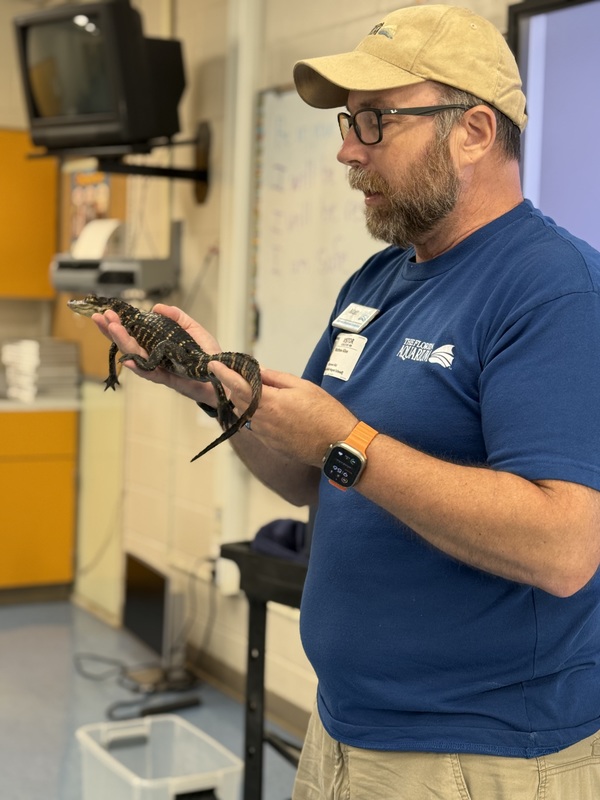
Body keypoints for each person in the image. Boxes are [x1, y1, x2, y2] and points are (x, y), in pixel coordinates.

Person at [94, 5, 600, 798]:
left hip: (478, 757)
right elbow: (310, 475)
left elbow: (565, 549)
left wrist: (349, 440)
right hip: (343, 733)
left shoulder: (554, 288)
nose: (345, 149)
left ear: (471, 131)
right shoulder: (376, 281)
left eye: (375, 122)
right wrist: (216, 392)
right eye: (347, 121)